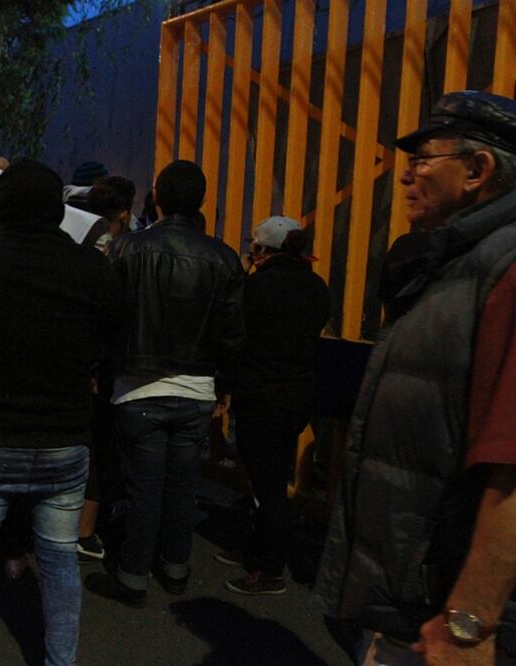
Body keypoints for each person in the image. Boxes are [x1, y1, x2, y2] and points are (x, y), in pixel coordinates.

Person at [313, 91, 516, 665]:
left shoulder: (503, 267)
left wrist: (469, 624)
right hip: (407, 601)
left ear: (478, 170)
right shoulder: (453, 265)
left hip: (443, 622)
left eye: (424, 159)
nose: (406, 176)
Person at [0, 159, 119, 666]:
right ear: (57, 208)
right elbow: (112, 333)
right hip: (66, 441)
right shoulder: (91, 266)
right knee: (58, 564)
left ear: (3, 206)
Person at [86, 160, 245, 608]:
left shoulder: (126, 249)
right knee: (182, 485)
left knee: (143, 486)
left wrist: (101, 370)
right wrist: (225, 385)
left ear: (156, 198)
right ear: (202, 200)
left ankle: (133, 574)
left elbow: (106, 319)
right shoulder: (223, 256)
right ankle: (175, 568)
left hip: (137, 387)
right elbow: (233, 332)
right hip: (197, 389)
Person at [217, 215, 329, 595]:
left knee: (266, 482)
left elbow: (236, 339)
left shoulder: (256, 287)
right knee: (276, 473)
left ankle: (268, 566)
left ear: (264, 250)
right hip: (298, 395)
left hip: (259, 394)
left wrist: (225, 386)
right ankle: (258, 549)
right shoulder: (317, 288)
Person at [77, 174, 136, 562]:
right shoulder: (122, 251)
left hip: (75, 361)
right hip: (106, 367)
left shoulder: (73, 243)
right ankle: (85, 531)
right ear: (125, 212)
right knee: (99, 447)